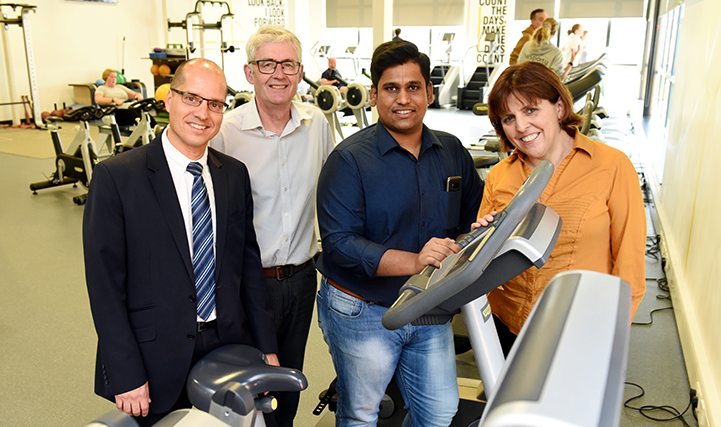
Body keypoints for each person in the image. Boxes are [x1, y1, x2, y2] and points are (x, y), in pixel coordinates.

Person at [84, 58, 279, 427]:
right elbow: (104, 288)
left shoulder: (233, 175)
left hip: (227, 346)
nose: (203, 113)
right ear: (169, 100)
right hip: (153, 356)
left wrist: (266, 347)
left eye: (215, 104)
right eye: (192, 98)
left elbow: (248, 269)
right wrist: (125, 373)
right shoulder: (117, 178)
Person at [316, 40, 485, 427]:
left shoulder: (452, 151)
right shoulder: (348, 160)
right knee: (361, 414)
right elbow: (340, 244)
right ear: (374, 95)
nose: (403, 98)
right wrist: (415, 260)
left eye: (413, 87)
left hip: (428, 306)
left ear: (429, 91)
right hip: (363, 309)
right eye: (391, 88)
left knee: (439, 412)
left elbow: (471, 215)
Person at [210, 25, 333, 427]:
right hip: (245, 283)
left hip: (300, 279)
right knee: (246, 386)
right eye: (267, 64)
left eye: (288, 64)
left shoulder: (317, 125)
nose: (278, 74)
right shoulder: (224, 131)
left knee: (287, 383)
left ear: (300, 72)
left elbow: (335, 191)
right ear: (249, 73)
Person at [479, 61, 646, 356]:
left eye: (531, 110)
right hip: (508, 324)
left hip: (581, 329)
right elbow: (482, 262)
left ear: (558, 108)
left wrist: (612, 335)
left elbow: (629, 264)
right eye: (508, 118)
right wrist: (483, 239)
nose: (521, 127)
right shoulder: (499, 176)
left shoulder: (612, 167)